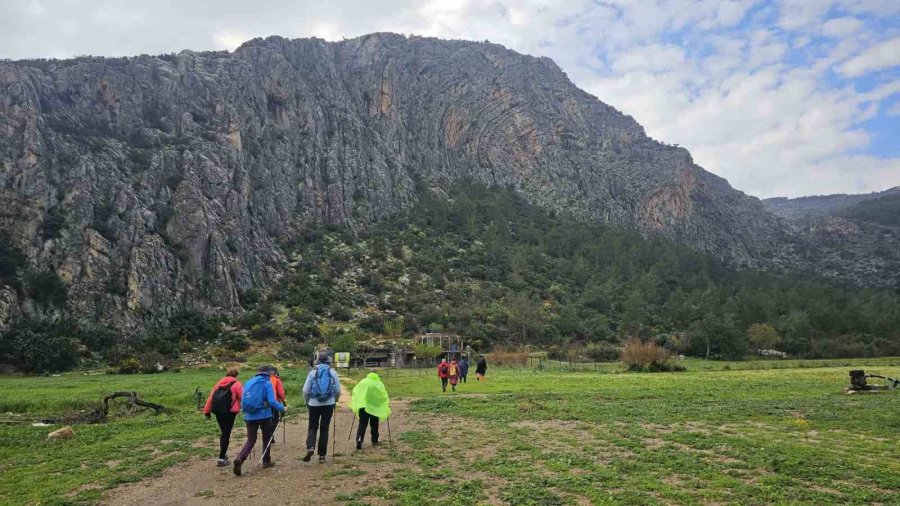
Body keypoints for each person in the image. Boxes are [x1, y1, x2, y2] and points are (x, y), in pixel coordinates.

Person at [233, 365, 285, 476]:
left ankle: (240, 458)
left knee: (251, 440)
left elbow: (243, 399)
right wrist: (282, 408)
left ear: (258, 373)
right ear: (268, 374)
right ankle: (266, 461)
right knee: (267, 437)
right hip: (264, 415)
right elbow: (272, 401)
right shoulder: (267, 383)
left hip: (249, 416)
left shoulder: (248, 382)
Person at [302, 353, 341, 463]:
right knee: (324, 428)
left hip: (313, 403)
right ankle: (322, 456)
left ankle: (310, 447)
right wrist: (335, 400)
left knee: (312, 427)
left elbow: (305, 390)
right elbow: (337, 390)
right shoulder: (332, 372)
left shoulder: (312, 373)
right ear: (328, 362)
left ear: (317, 362)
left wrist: (307, 402)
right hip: (329, 403)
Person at [203, 366, 243, 467]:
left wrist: (207, 411)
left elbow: (211, 398)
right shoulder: (237, 384)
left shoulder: (219, 383)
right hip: (230, 412)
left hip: (217, 411)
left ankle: (223, 455)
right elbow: (243, 398)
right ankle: (221, 458)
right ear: (236, 375)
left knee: (224, 432)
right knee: (226, 434)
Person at [350, 369, 391, 450]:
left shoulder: (363, 381)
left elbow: (356, 391)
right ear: (376, 374)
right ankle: (375, 440)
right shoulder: (379, 383)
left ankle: (359, 439)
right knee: (374, 424)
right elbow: (383, 395)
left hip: (363, 406)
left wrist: (357, 401)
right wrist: (385, 403)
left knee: (362, 424)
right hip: (375, 407)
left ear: (369, 374)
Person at [267, 366, 287, 435]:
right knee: (275, 419)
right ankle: (271, 435)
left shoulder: (264, 379)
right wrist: (284, 400)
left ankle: (267, 435)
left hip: (264, 403)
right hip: (274, 402)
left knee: (267, 419)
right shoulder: (276, 380)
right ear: (275, 372)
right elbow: (281, 392)